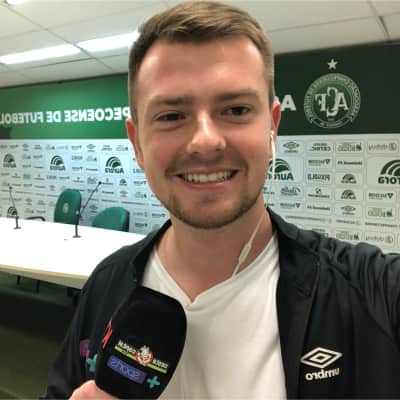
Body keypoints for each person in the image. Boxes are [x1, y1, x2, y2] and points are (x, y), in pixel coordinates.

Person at [44, 1, 400, 399]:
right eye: (171, 116)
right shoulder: (105, 285)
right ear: (136, 143)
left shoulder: (373, 294)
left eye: (236, 109)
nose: (206, 141)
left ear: (273, 128)